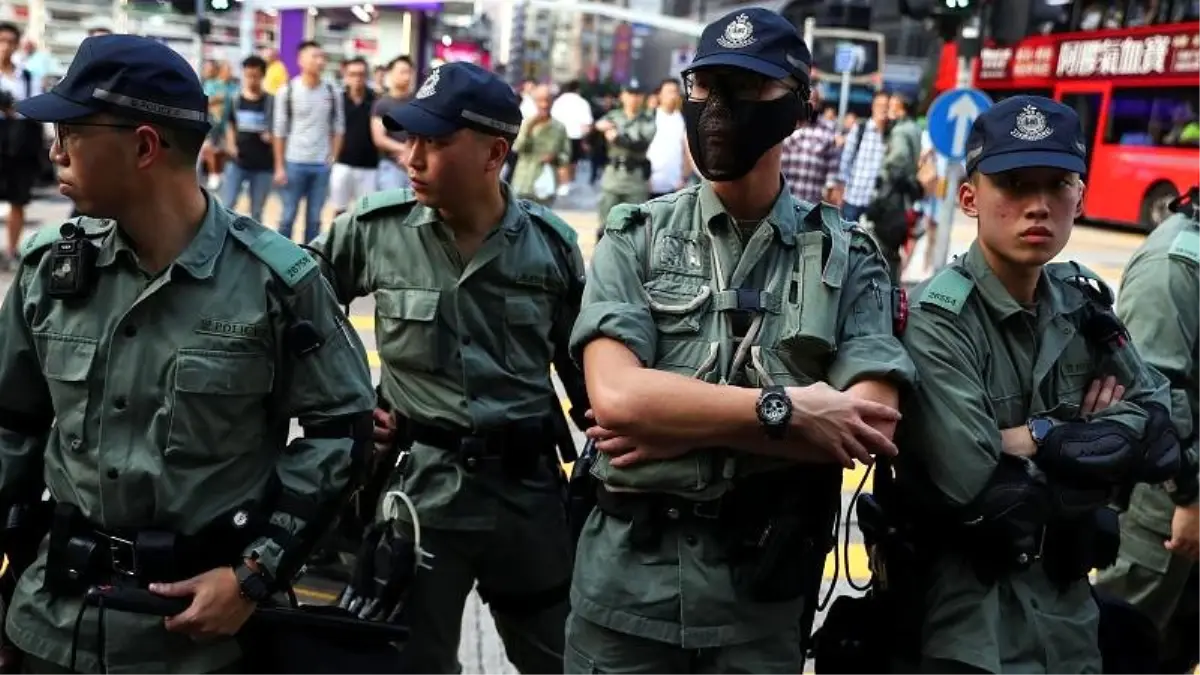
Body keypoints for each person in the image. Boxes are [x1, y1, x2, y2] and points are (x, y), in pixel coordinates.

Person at [0, 34, 375, 674]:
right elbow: (11, 429)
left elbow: (341, 431)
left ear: (144, 146)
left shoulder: (276, 284)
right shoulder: (48, 271)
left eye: (71, 132)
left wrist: (256, 573)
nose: (55, 151)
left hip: (196, 643)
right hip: (51, 622)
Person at [566, 9, 915, 673]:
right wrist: (792, 413)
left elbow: (869, 420)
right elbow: (614, 397)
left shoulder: (850, 253)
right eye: (704, 87)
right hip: (623, 599)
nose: (718, 110)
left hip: (759, 605)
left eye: (745, 90)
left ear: (797, 108)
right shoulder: (635, 235)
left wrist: (678, 423)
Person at [884, 96, 1190, 675]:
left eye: (1057, 186)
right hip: (967, 626)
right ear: (970, 198)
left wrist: (1031, 438)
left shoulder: (1083, 304)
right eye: (1016, 185)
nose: (1038, 206)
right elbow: (976, 482)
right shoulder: (938, 317)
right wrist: (1088, 439)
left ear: (1081, 197)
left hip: (1069, 618)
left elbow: (1159, 427)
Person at [317, 61, 588, 675]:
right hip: (420, 495)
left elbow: (588, 379)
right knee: (411, 661)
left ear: (494, 154)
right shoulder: (372, 231)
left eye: (435, 144)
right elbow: (293, 317)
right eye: (410, 139)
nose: (413, 158)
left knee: (566, 658)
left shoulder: (549, 247)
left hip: (527, 500)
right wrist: (349, 404)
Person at [1094, 187, 1200, 675]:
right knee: (1123, 647)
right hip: (1169, 505)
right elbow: (1154, 389)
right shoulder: (1176, 263)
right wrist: (1190, 497)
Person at [273, 40, 345, 243]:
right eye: (314, 56)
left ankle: (310, 261)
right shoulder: (287, 91)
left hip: (321, 164)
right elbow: (279, 130)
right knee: (287, 217)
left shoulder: (333, 91)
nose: (320, 61)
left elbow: (339, 126)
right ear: (300, 60)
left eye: (322, 57)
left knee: (315, 220)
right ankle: (281, 260)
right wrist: (279, 166)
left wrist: (333, 157)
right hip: (294, 162)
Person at [594, 82, 655, 239]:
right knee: (605, 223)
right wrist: (598, 128)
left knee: (635, 225)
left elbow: (640, 144)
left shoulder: (647, 120)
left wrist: (617, 137)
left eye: (637, 95)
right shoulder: (612, 116)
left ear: (642, 98)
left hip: (635, 178)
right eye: (630, 94)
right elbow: (596, 132)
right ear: (622, 96)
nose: (633, 98)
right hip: (612, 176)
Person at [221, 55, 275, 222]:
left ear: (262, 76)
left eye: (255, 76)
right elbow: (229, 123)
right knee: (227, 205)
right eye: (248, 76)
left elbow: (280, 129)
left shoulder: (271, 101)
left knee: (257, 211)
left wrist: (271, 137)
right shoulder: (235, 99)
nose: (251, 80)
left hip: (263, 164)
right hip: (238, 161)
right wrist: (231, 144)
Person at [329, 56, 378, 216]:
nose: (357, 78)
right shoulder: (337, 100)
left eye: (361, 74)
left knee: (365, 213)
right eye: (352, 74)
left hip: (369, 166)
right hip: (341, 164)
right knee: (339, 211)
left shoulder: (376, 100)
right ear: (346, 76)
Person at [511, 84, 570, 205]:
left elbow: (566, 155)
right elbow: (516, 148)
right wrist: (528, 130)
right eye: (540, 101)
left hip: (547, 184)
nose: (544, 105)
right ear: (535, 102)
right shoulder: (526, 124)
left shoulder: (559, 127)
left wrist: (555, 157)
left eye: (548, 100)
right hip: (523, 182)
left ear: (553, 102)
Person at [370, 55, 415, 191]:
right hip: (391, 165)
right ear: (390, 73)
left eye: (409, 72)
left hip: (414, 165)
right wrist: (404, 150)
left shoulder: (418, 102)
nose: (406, 76)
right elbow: (379, 139)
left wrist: (412, 154)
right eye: (402, 72)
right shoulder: (382, 104)